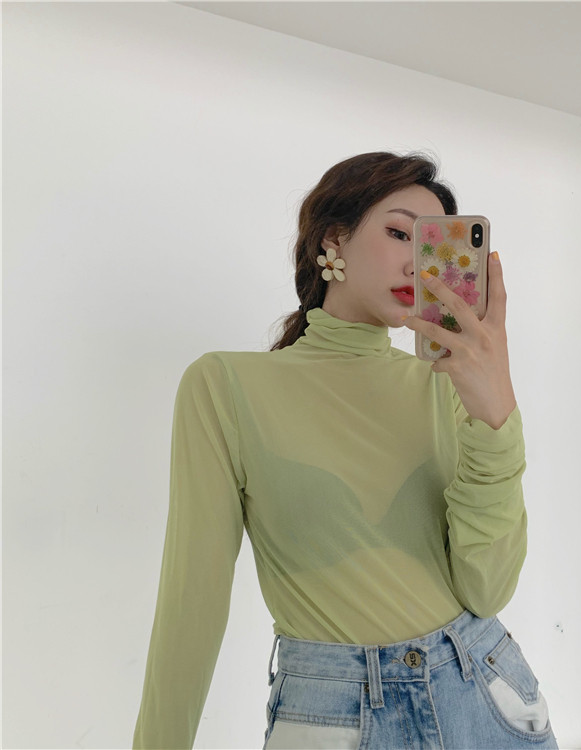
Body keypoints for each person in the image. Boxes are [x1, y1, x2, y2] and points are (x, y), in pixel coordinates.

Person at [132, 151, 558, 749]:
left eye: (432, 245)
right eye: (399, 233)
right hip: (333, 715)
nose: (417, 262)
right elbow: (192, 599)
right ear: (334, 238)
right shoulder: (225, 386)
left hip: (484, 695)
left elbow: (486, 591)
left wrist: (496, 415)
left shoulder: (445, 385)